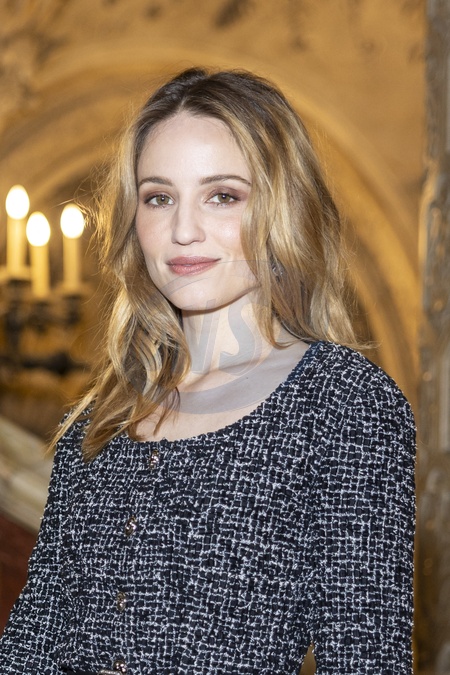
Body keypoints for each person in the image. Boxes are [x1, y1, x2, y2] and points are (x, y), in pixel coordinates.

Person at [0, 67, 415, 674]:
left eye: (222, 196)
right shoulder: (101, 417)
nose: (183, 230)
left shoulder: (343, 405)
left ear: (280, 208)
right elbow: (32, 643)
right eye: (159, 197)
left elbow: (365, 658)